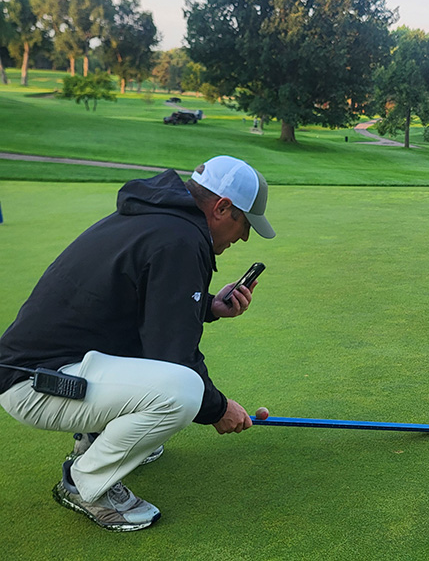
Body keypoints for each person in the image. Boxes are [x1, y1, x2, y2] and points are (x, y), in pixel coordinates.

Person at [0, 155, 276, 532]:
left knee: (170, 378)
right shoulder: (181, 239)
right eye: (244, 224)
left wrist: (209, 307)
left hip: (47, 370)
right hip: (37, 385)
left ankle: (97, 439)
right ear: (222, 207)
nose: (243, 237)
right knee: (184, 391)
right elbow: (176, 359)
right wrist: (218, 409)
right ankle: (86, 483)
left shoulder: (160, 219)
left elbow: (149, 308)